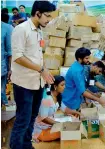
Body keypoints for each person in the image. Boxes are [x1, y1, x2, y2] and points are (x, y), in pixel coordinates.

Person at [10, 1, 56, 149]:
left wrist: (45, 71)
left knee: (32, 118)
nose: (49, 20)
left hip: (37, 83)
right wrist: (41, 70)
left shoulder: (39, 31)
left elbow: (37, 56)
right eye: (47, 16)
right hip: (24, 83)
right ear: (37, 13)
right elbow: (18, 56)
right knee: (23, 119)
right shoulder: (21, 29)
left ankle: (26, 145)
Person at [61, 47, 105, 116]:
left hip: (76, 99)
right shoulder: (76, 71)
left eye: (88, 58)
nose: (88, 60)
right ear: (80, 58)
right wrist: (99, 100)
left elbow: (83, 87)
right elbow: (83, 92)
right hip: (70, 101)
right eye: (86, 58)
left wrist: (95, 96)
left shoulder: (80, 66)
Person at [32, 76, 65, 142]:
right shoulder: (47, 98)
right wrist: (58, 124)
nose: (65, 87)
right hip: (41, 130)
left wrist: (76, 113)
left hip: (49, 126)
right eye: (62, 85)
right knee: (65, 132)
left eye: (65, 85)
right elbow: (43, 118)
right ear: (55, 86)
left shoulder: (58, 96)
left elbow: (64, 109)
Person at [1, 13, 13, 106]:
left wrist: (10, 69)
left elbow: (10, 51)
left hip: (2, 68)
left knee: (2, 90)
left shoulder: (6, 28)